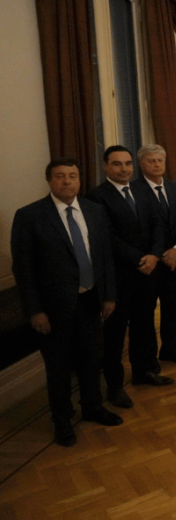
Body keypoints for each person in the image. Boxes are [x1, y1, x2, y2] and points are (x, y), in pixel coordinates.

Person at [11, 159, 123, 446]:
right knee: (59, 367)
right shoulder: (30, 216)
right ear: (49, 180)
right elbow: (24, 269)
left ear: (79, 180)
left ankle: (93, 407)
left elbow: (104, 257)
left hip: (90, 301)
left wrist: (108, 295)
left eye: (72, 176)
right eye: (60, 176)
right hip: (53, 309)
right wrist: (35, 310)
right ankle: (62, 420)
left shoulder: (94, 211)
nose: (67, 181)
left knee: (90, 358)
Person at [88, 145, 172, 411]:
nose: (124, 169)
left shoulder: (140, 189)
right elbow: (107, 237)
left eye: (127, 164)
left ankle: (143, 371)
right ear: (105, 167)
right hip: (119, 276)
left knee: (144, 324)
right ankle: (114, 387)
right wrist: (140, 258)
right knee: (114, 335)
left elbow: (158, 224)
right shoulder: (97, 197)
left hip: (148, 272)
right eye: (117, 164)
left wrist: (155, 255)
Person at [133, 144, 176, 364]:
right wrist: (157, 254)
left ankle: (170, 349)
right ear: (141, 164)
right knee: (146, 314)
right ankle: (148, 360)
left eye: (160, 160)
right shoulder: (134, 190)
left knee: (172, 308)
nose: (157, 164)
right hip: (147, 263)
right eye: (151, 160)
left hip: (174, 261)